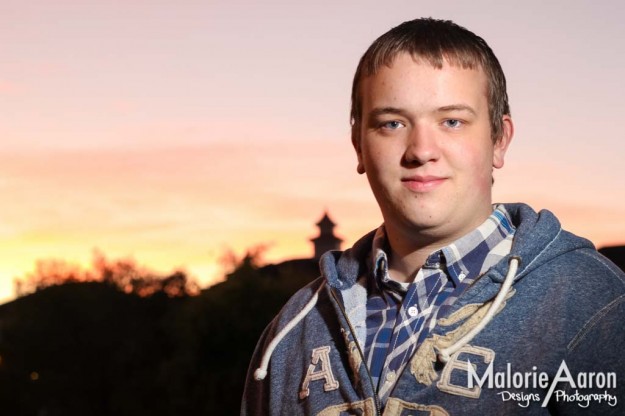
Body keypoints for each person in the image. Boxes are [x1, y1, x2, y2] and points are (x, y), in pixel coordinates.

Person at [241, 18, 625, 415]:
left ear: (499, 139)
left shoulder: (592, 306)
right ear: (358, 145)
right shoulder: (293, 329)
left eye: (452, 121)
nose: (421, 150)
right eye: (392, 123)